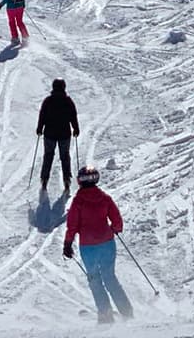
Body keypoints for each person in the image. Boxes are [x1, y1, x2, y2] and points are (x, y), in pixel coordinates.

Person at [62, 164, 132, 323]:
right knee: (110, 277)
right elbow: (116, 219)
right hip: (107, 243)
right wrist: (114, 229)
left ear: (80, 181)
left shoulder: (78, 202)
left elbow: (72, 225)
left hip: (88, 247)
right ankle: (126, 311)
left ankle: (105, 313)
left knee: (94, 278)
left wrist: (67, 244)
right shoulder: (105, 198)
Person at [36, 78, 79, 191]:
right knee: (65, 156)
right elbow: (73, 116)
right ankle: (67, 179)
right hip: (64, 134)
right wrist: (76, 128)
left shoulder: (48, 101)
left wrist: (40, 128)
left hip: (49, 133)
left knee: (48, 156)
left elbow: (42, 115)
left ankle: (44, 179)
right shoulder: (68, 101)